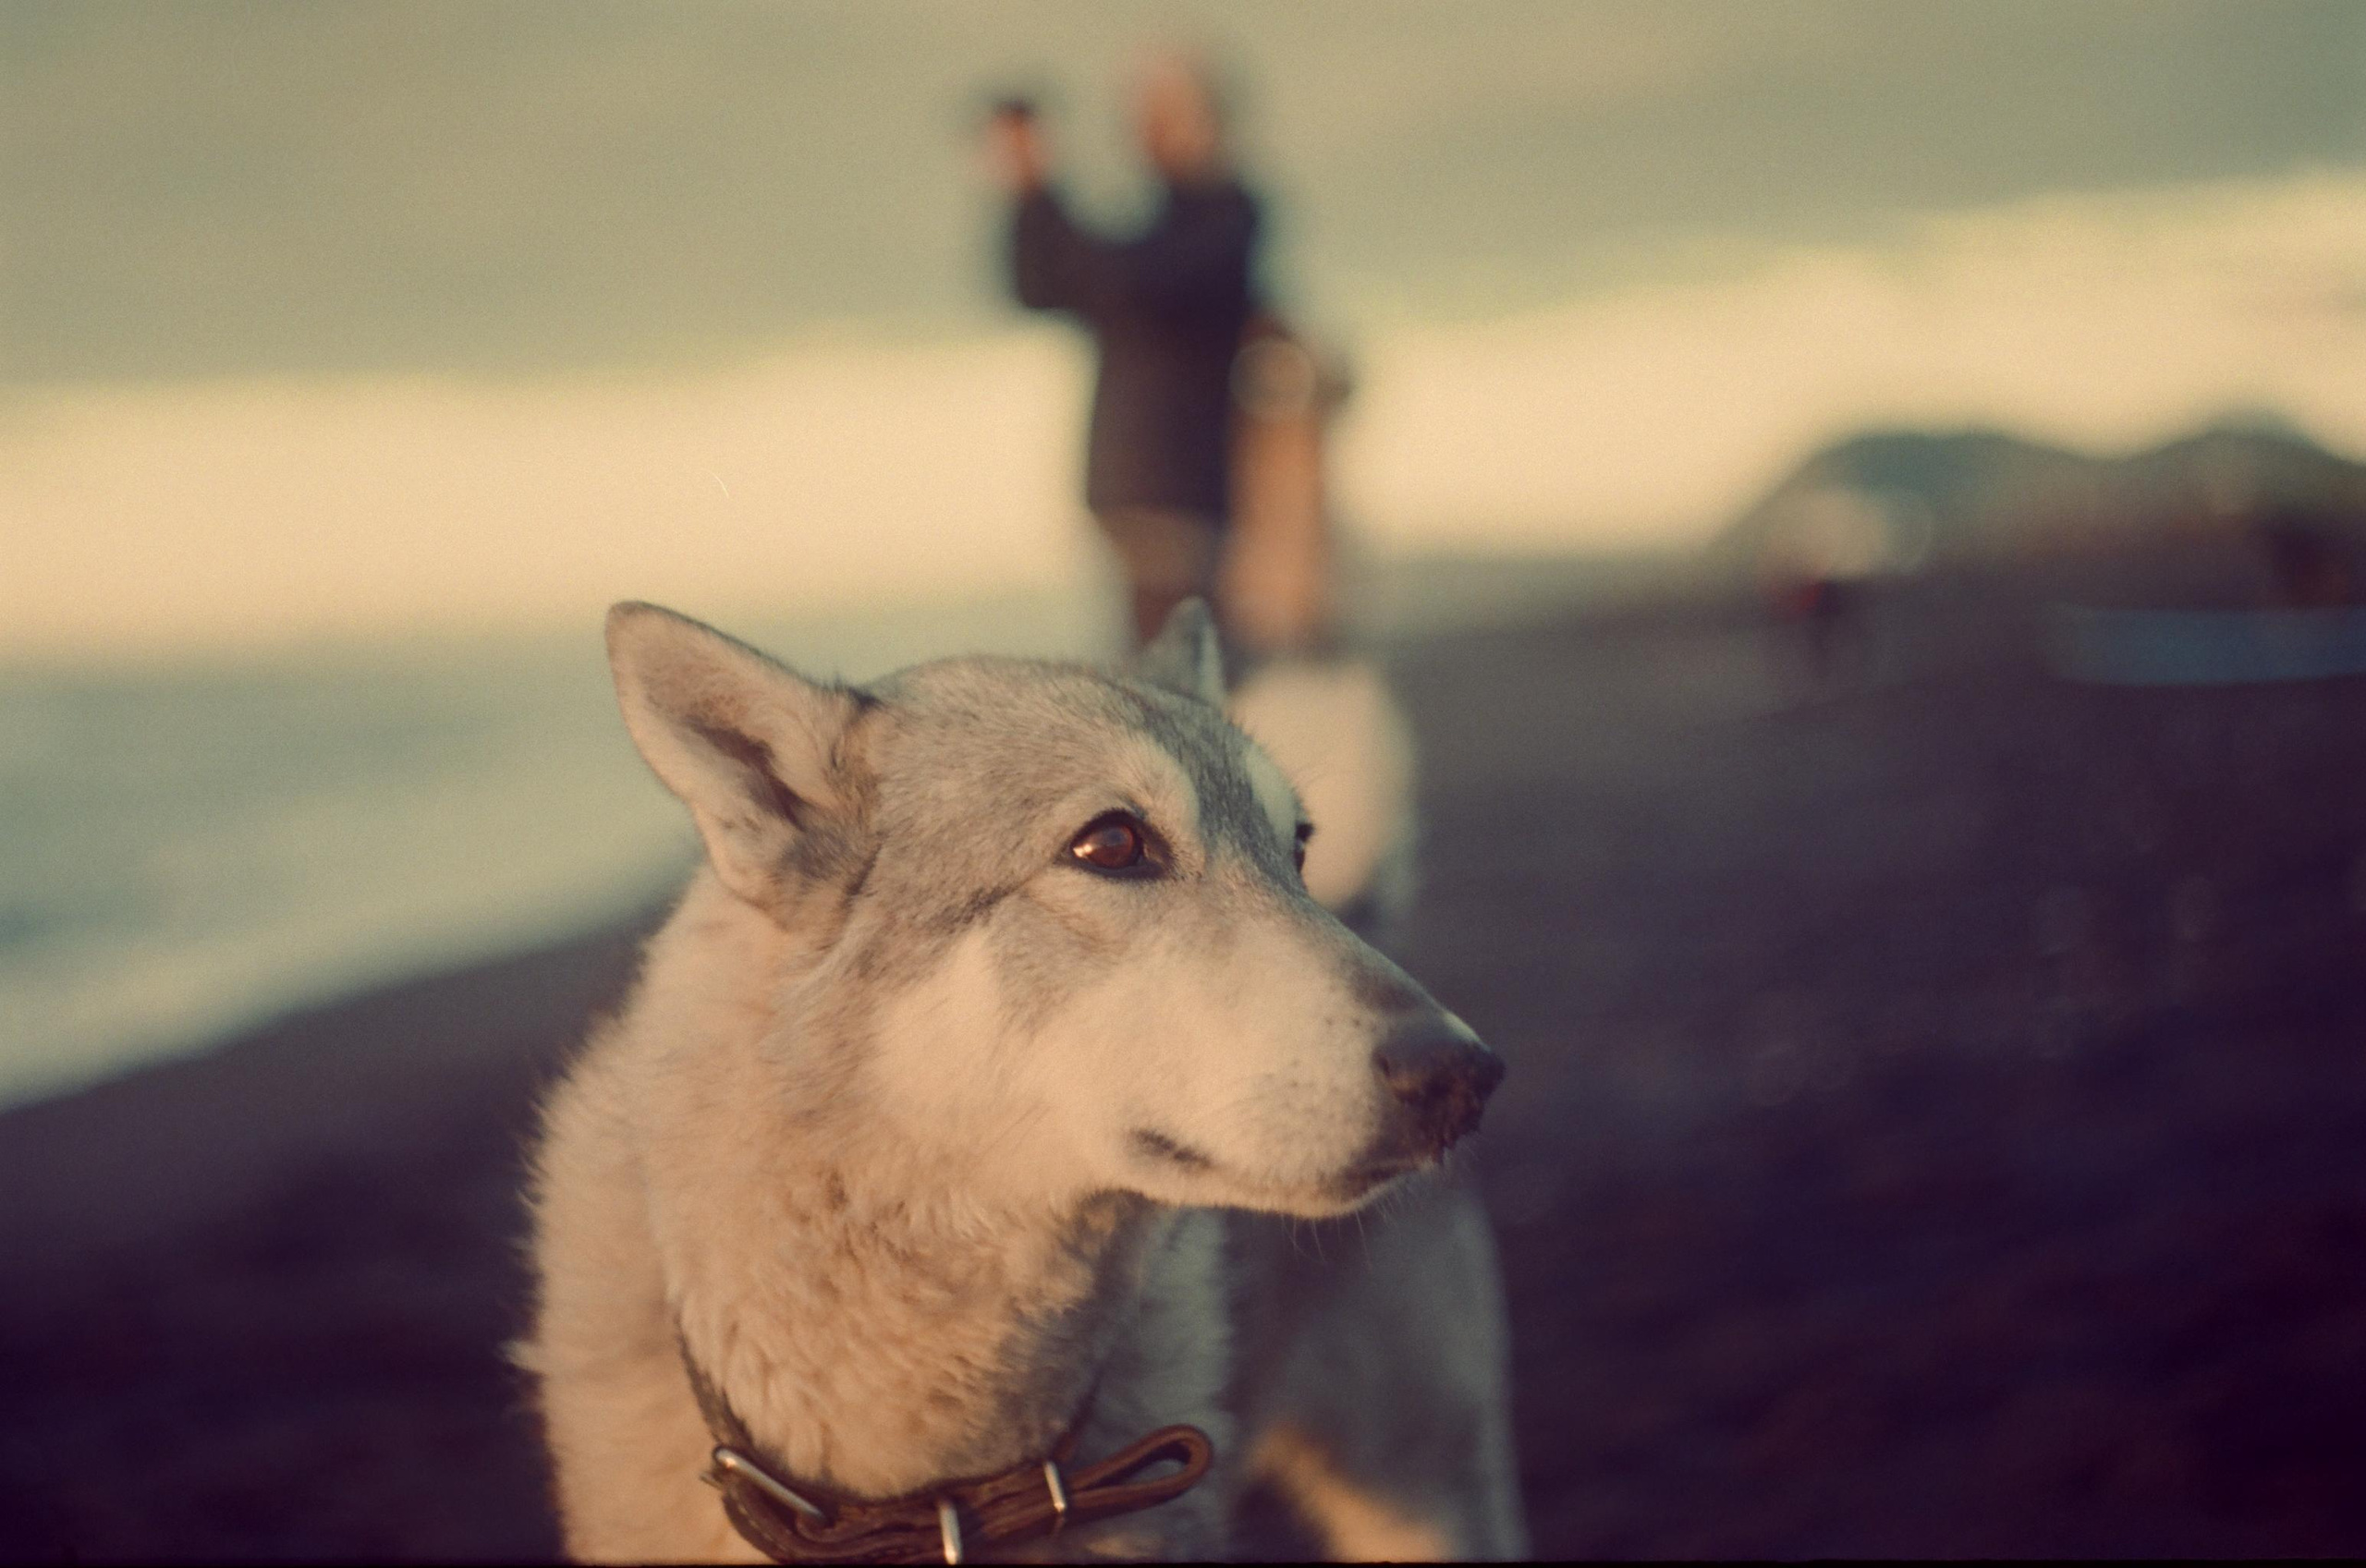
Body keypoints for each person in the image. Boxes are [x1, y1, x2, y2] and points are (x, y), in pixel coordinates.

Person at [985, 52, 1263, 649]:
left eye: (1161, 115)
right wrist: (1028, 192)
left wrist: (1043, 191)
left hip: (1177, 488)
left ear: (1207, 119)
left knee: (1175, 673)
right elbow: (1040, 288)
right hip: (1139, 489)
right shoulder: (1168, 226)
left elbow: (1123, 280)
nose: (1144, 132)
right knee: (1159, 665)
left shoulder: (1227, 218)